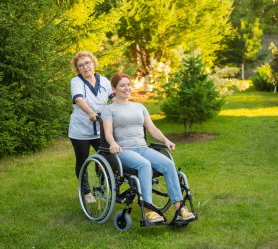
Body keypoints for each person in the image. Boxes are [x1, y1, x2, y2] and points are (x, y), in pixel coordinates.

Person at [102, 73, 195, 223]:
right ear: (114, 88)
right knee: (144, 165)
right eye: (122, 85)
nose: (127, 88)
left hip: (143, 148)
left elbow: (152, 129)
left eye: (128, 84)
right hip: (124, 150)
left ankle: (179, 208)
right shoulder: (109, 109)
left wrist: (166, 140)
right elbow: (107, 132)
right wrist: (113, 143)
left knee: (168, 163)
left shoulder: (139, 107)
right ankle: (148, 209)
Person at [68, 51, 113, 203]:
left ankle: (100, 187)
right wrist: (91, 112)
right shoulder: (76, 81)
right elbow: (79, 99)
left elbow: (114, 98)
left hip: (101, 128)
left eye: (87, 63)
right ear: (78, 69)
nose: (85, 67)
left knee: (105, 158)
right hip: (81, 130)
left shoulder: (105, 81)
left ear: (93, 63)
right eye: (81, 65)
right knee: (82, 161)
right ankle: (86, 192)